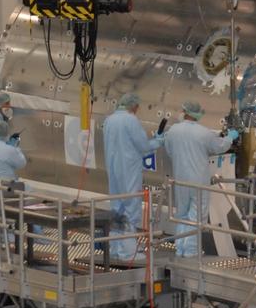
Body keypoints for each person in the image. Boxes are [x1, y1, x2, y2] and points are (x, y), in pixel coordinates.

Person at [162, 102, 237, 257]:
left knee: (182, 215)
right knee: (196, 218)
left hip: (180, 180)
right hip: (198, 182)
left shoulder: (173, 131)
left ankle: (180, 248)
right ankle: (190, 252)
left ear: (185, 112)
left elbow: (170, 151)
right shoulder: (203, 133)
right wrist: (230, 137)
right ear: (197, 114)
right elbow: (220, 147)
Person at [102, 92, 162, 262]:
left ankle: (114, 249)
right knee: (131, 209)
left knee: (117, 208)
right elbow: (143, 146)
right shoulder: (131, 120)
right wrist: (158, 141)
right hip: (128, 170)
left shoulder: (110, 120)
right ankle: (128, 253)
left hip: (113, 170)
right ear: (133, 106)